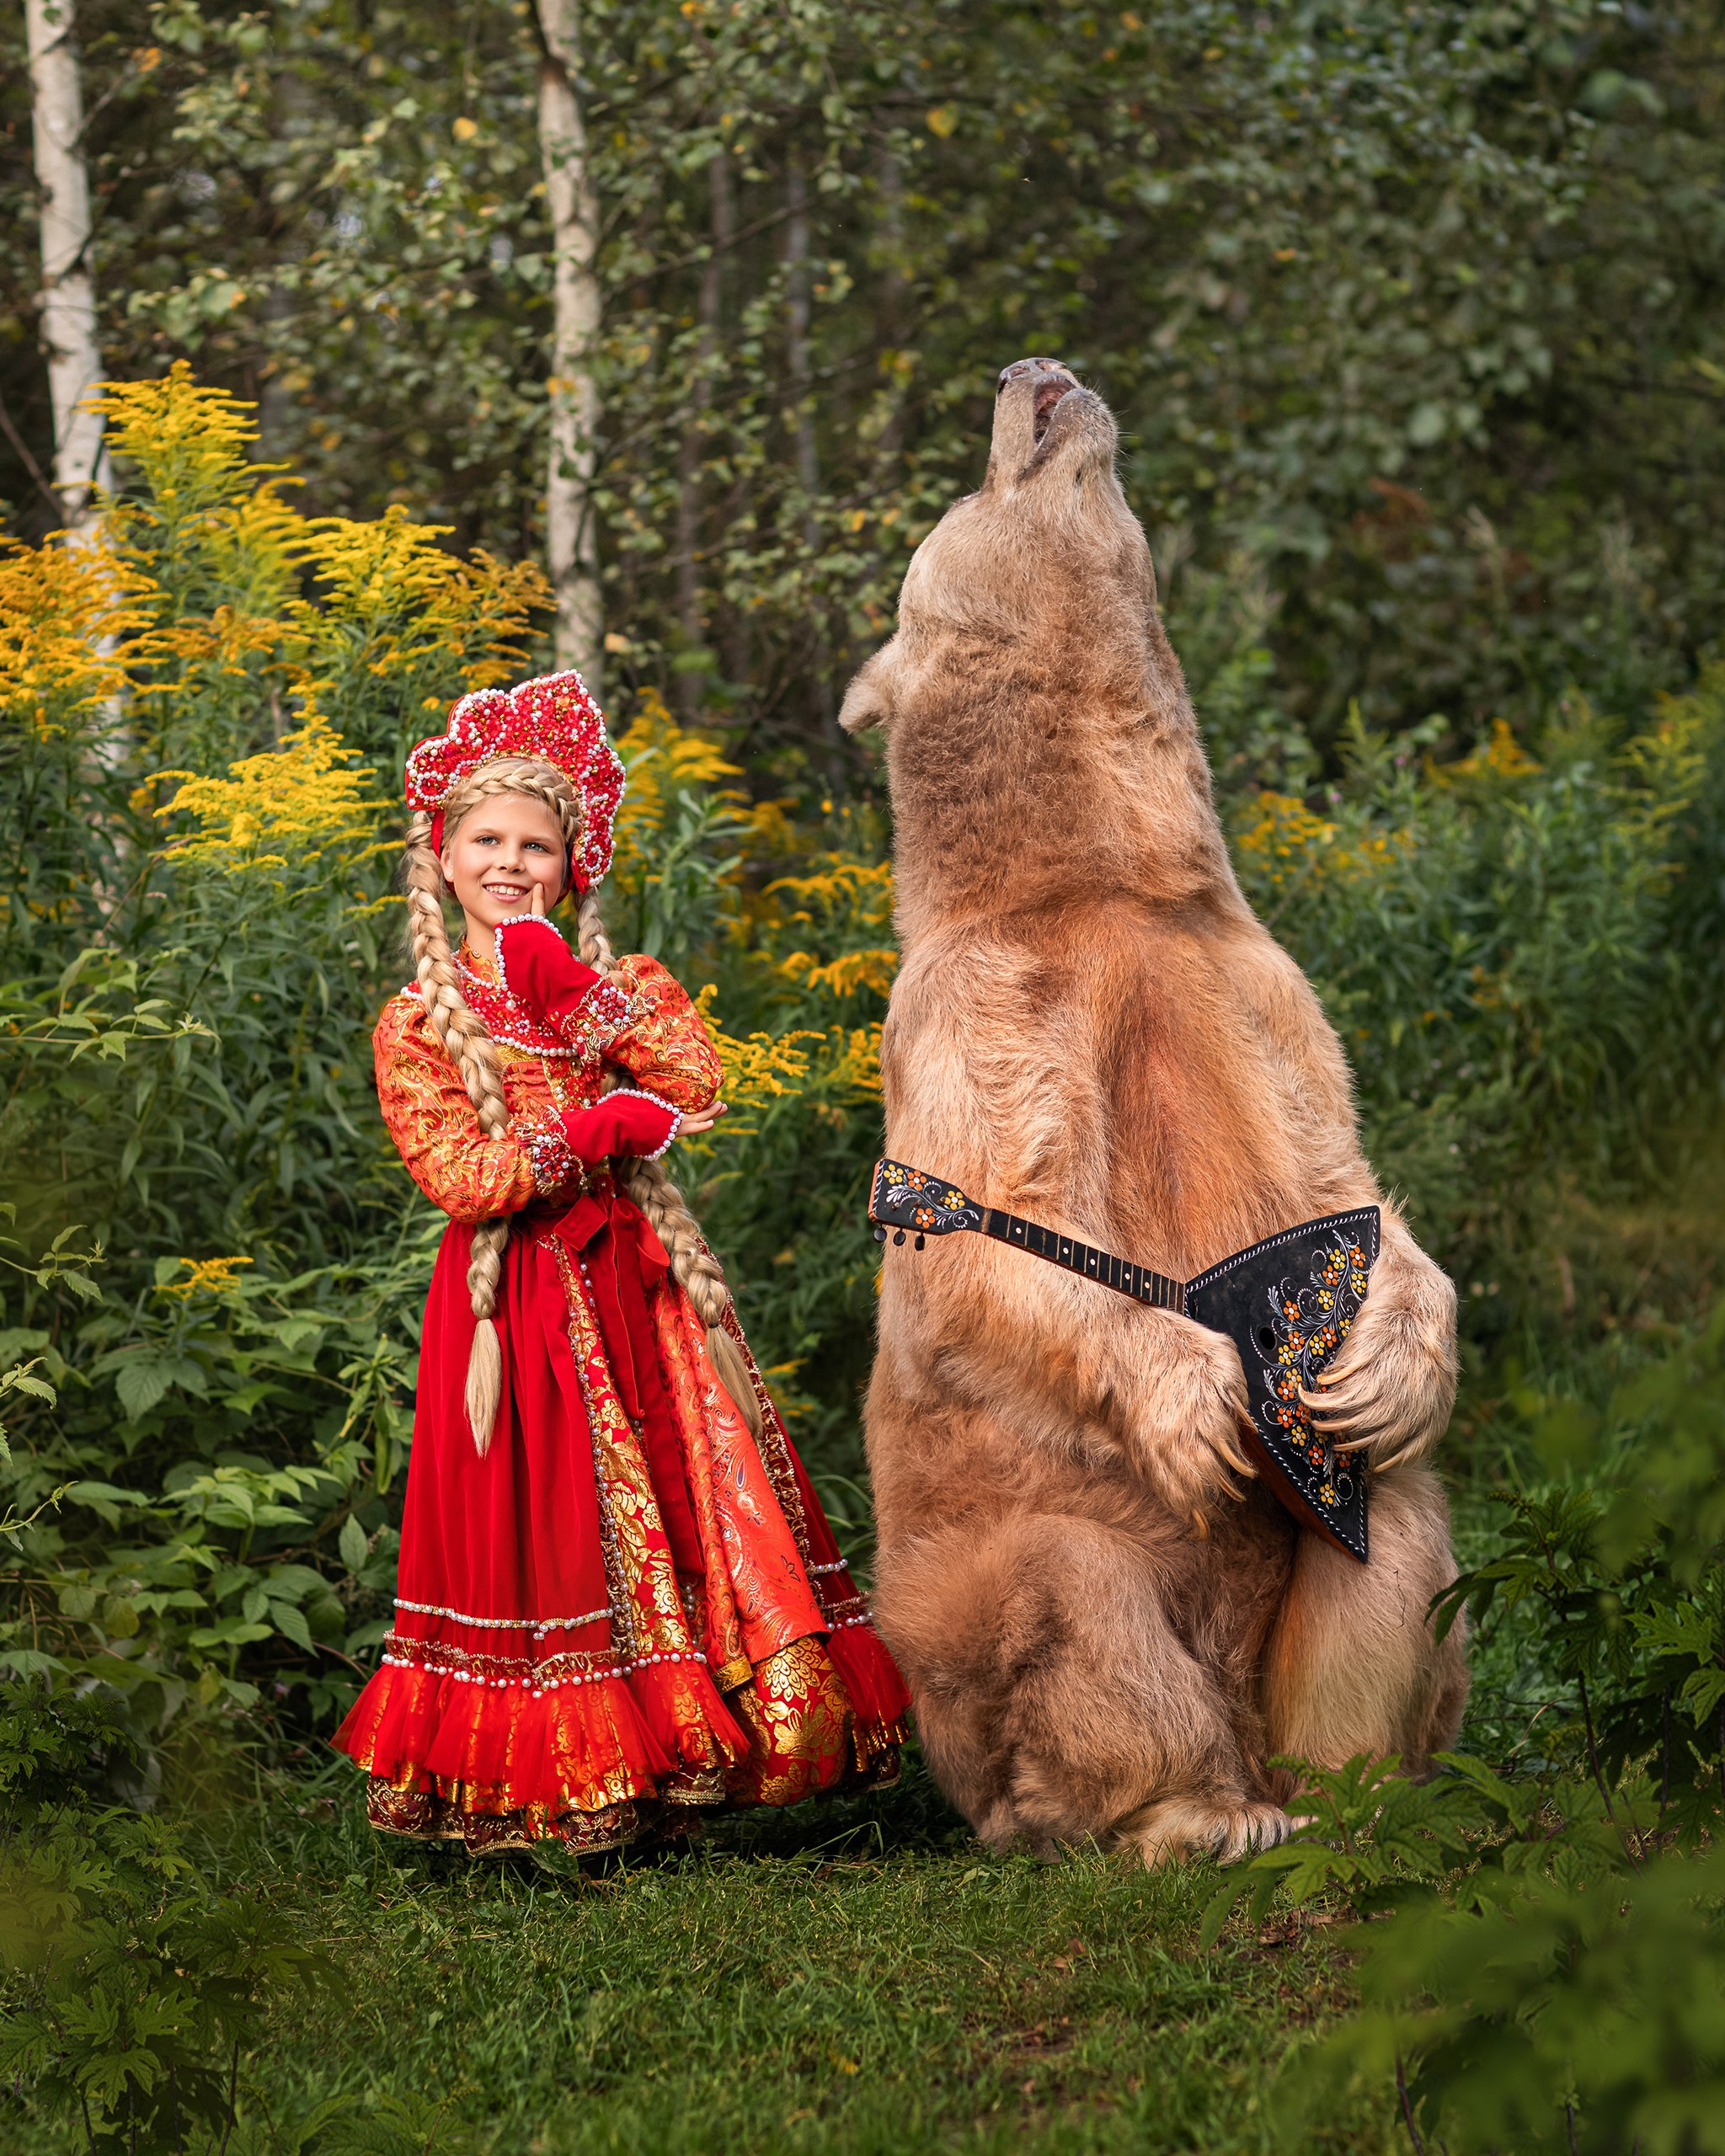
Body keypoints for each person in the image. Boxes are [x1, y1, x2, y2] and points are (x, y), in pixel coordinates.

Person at [332, 670, 908, 1854]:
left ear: (572, 864)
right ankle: (557, 1781)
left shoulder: (614, 985)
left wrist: (570, 990)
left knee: (682, 1501)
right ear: (442, 859)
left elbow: (696, 1078)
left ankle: (700, 1762)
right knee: (545, 1529)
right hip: (519, 1300)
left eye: (535, 845)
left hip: (640, 1286)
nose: (509, 863)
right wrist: (588, 1130)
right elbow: (463, 1178)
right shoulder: (418, 1022)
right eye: (486, 840)